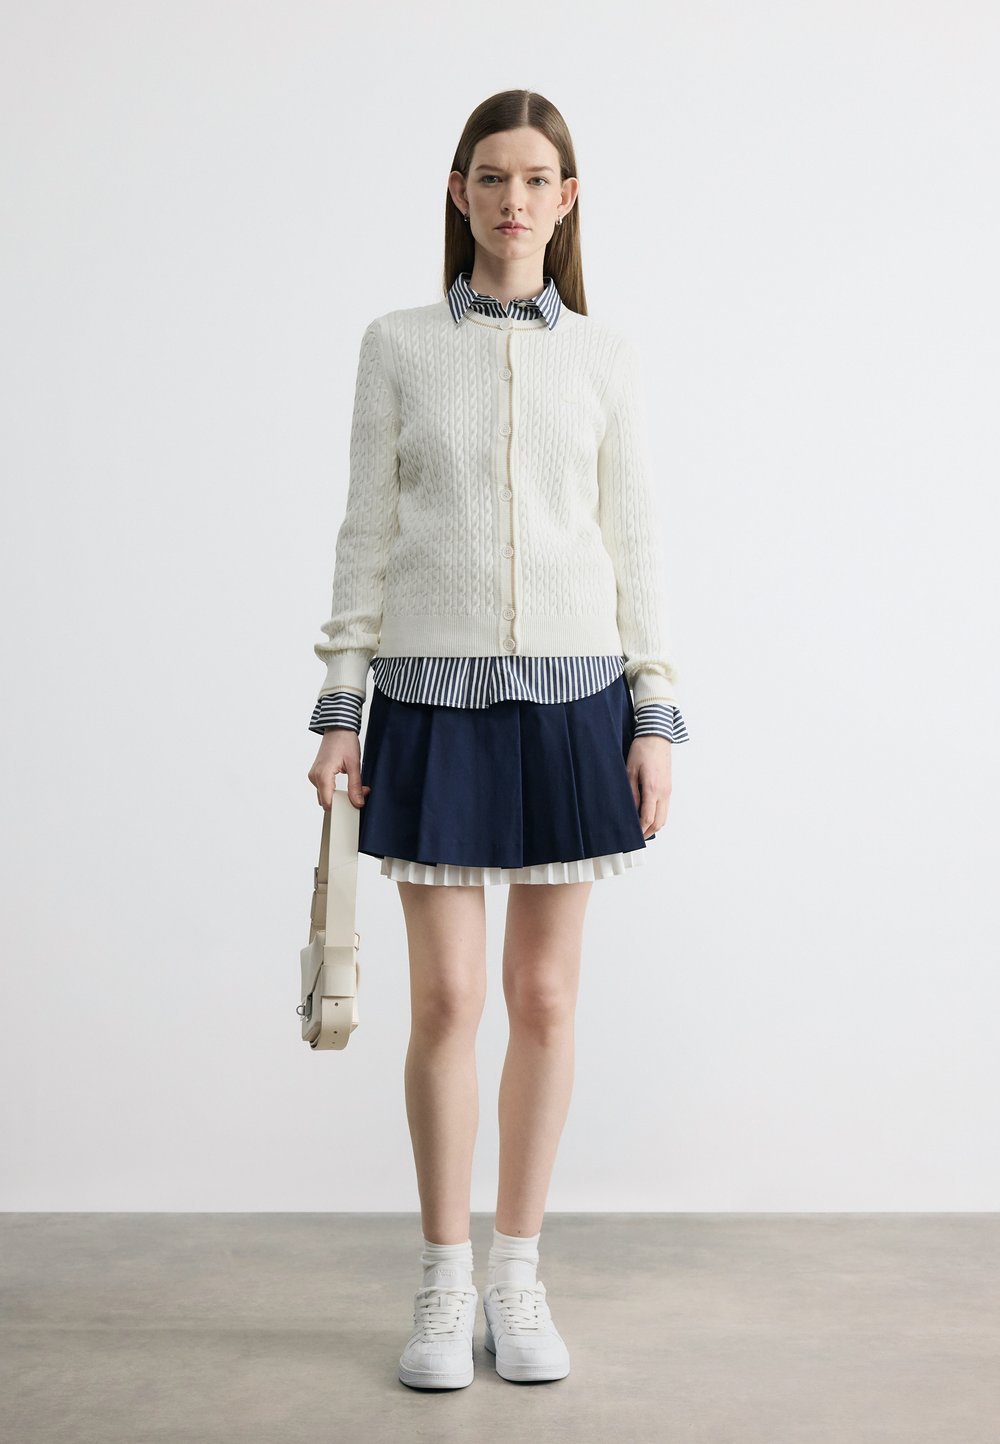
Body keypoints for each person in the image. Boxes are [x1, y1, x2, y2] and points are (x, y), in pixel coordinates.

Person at [306, 89, 690, 1390]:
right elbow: (366, 530)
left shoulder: (607, 356)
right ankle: (442, 1282)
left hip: (579, 702)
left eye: (536, 179)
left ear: (566, 200)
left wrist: (654, 714)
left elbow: (635, 540)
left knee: (545, 997)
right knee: (449, 1001)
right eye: (492, 177)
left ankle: (519, 1275)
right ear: (459, 192)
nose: (513, 199)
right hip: (429, 697)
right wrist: (340, 706)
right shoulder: (398, 346)